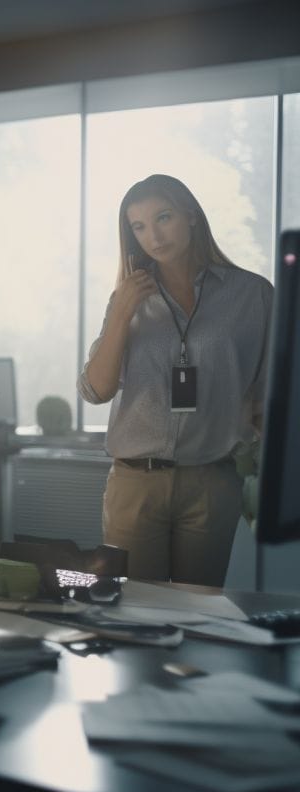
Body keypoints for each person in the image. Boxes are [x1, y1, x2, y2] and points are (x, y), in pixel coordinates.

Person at [79, 174, 272, 586]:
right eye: (139, 226)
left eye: (163, 217)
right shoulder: (126, 298)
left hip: (212, 481)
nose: (154, 235)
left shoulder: (253, 295)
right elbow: (95, 390)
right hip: (135, 483)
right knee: (132, 612)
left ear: (191, 215)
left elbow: (268, 394)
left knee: (196, 615)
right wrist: (121, 315)